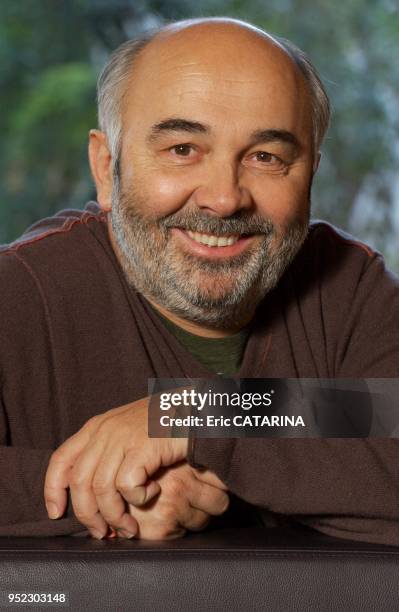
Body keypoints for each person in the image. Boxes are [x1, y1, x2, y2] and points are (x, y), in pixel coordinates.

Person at [1, 17, 399, 545]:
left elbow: (387, 422)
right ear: (106, 166)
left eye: (266, 157)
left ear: (310, 175)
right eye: (182, 149)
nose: (224, 198)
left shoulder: (349, 288)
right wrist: (115, 495)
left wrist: (198, 413)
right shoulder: (21, 293)